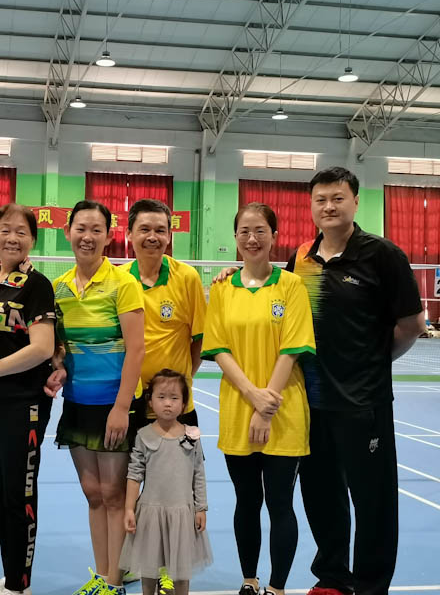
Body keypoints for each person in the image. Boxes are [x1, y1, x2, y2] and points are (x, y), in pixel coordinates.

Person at [287, 167, 426, 595]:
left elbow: (412, 325)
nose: (329, 207)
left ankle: (369, 586)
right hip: (311, 401)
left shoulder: (383, 255)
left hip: (363, 402)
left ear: (355, 201)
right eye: (321, 200)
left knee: (373, 501)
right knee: (321, 494)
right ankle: (332, 577)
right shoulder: (301, 259)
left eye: (338, 198)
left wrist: (372, 364)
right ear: (311, 206)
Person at [203, 202, 315, 595]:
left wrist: (266, 409)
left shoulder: (292, 286)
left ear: (274, 236)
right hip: (238, 408)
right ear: (235, 238)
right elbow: (218, 347)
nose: (252, 239)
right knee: (246, 501)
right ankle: (249, 580)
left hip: (284, 409)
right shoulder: (222, 288)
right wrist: (253, 397)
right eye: (244, 232)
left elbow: (292, 348)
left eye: (260, 231)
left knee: (281, 504)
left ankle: (277, 587)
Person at [44, 200, 145, 595]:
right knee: (94, 494)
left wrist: (121, 407)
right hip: (77, 403)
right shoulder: (59, 288)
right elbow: (61, 346)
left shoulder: (123, 283)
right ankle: (103, 576)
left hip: (113, 405)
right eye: (81, 228)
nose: (87, 237)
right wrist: (59, 366)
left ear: (108, 236)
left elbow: (136, 349)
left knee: (115, 495)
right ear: (67, 232)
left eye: (96, 230)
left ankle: (116, 581)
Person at [0, 204, 56, 595]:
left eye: (21, 232)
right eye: (5, 230)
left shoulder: (37, 285)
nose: (12, 238)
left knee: (20, 497)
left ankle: (20, 586)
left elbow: (42, 348)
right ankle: (12, 575)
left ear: (32, 239)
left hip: (23, 404)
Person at [120, 369, 212, 595]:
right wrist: (129, 509)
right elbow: (134, 474)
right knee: (149, 567)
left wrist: (201, 507)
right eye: (161, 397)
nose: (168, 403)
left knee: (181, 570)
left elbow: (198, 473)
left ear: (184, 404)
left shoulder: (191, 436)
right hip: (150, 513)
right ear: (150, 401)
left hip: (182, 513)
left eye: (174, 398)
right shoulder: (143, 435)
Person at [120, 199, 207, 428]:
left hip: (176, 407)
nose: (152, 237)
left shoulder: (188, 278)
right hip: (129, 403)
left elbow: (200, 338)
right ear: (129, 234)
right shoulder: (118, 281)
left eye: (160, 231)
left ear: (169, 236)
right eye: (144, 229)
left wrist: (178, 381)